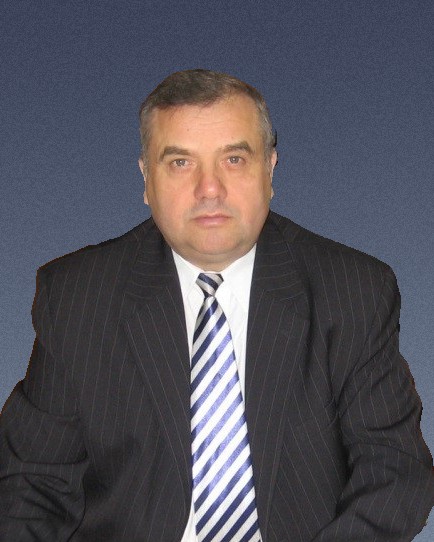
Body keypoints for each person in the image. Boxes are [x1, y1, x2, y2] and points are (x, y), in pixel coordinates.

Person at [0, 69, 433, 542]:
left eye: (233, 159)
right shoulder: (78, 297)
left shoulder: (354, 291)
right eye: (180, 162)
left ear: (270, 170)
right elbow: (32, 483)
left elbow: (395, 471)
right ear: (146, 178)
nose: (210, 188)